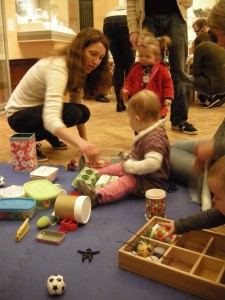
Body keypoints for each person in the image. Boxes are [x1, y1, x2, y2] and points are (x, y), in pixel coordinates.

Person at [5, 28, 112, 162]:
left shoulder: (78, 69)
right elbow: (50, 118)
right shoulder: (58, 66)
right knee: (73, 113)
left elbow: (77, 102)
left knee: (82, 112)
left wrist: (84, 143)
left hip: (37, 110)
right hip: (18, 116)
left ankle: (50, 134)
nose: (96, 62)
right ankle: (28, 141)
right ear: (79, 50)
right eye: (93, 54)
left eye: (101, 58)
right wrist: (82, 144)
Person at [76, 90, 170, 208]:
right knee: (119, 167)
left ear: (137, 120)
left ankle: (97, 196)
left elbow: (153, 163)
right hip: (142, 173)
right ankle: (91, 174)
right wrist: (128, 157)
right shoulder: (151, 131)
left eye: (129, 119)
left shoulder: (154, 139)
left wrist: (130, 166)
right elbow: (142, 154)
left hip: (149, 183)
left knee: (125, 181)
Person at [126, 0, 198, 135]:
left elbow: (188, 3)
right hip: (147, 17)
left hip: (176, 16)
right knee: (144, 70)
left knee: (180, 71)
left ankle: (179, 120)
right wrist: (133, 30)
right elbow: (131, 2)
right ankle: (146, 119)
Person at [160, 155, 225, 235]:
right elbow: (210, 217)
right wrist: (178, 226)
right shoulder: (222, 212)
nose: (213, 200)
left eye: (218, 197)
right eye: (213, 194)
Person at [122, 33, 173, 118]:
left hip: (156, 103)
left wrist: (168, 97)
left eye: (148, 56)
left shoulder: (161, 68)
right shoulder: (136, 67)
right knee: (139, 123)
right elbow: (129, 80)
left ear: (156, 57)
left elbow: (167, 84)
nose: (144, 58)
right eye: (141, 56)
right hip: (140, 102)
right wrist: (127, 89)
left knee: (156, 124)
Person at [103, 4, 135, 112]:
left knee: (118, 64)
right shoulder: (134, 7)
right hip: (126, 20)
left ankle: (120, 104)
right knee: (130, 65)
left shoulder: (118, 6)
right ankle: (133, 103)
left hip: (108, 19)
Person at [187, 32, 225, 108]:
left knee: (183, 78)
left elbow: (196, 73)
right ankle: (216, 96)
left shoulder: (200, 47)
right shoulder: (219, 47)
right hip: (222, 85)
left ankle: (212, 96)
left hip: (214, 85)